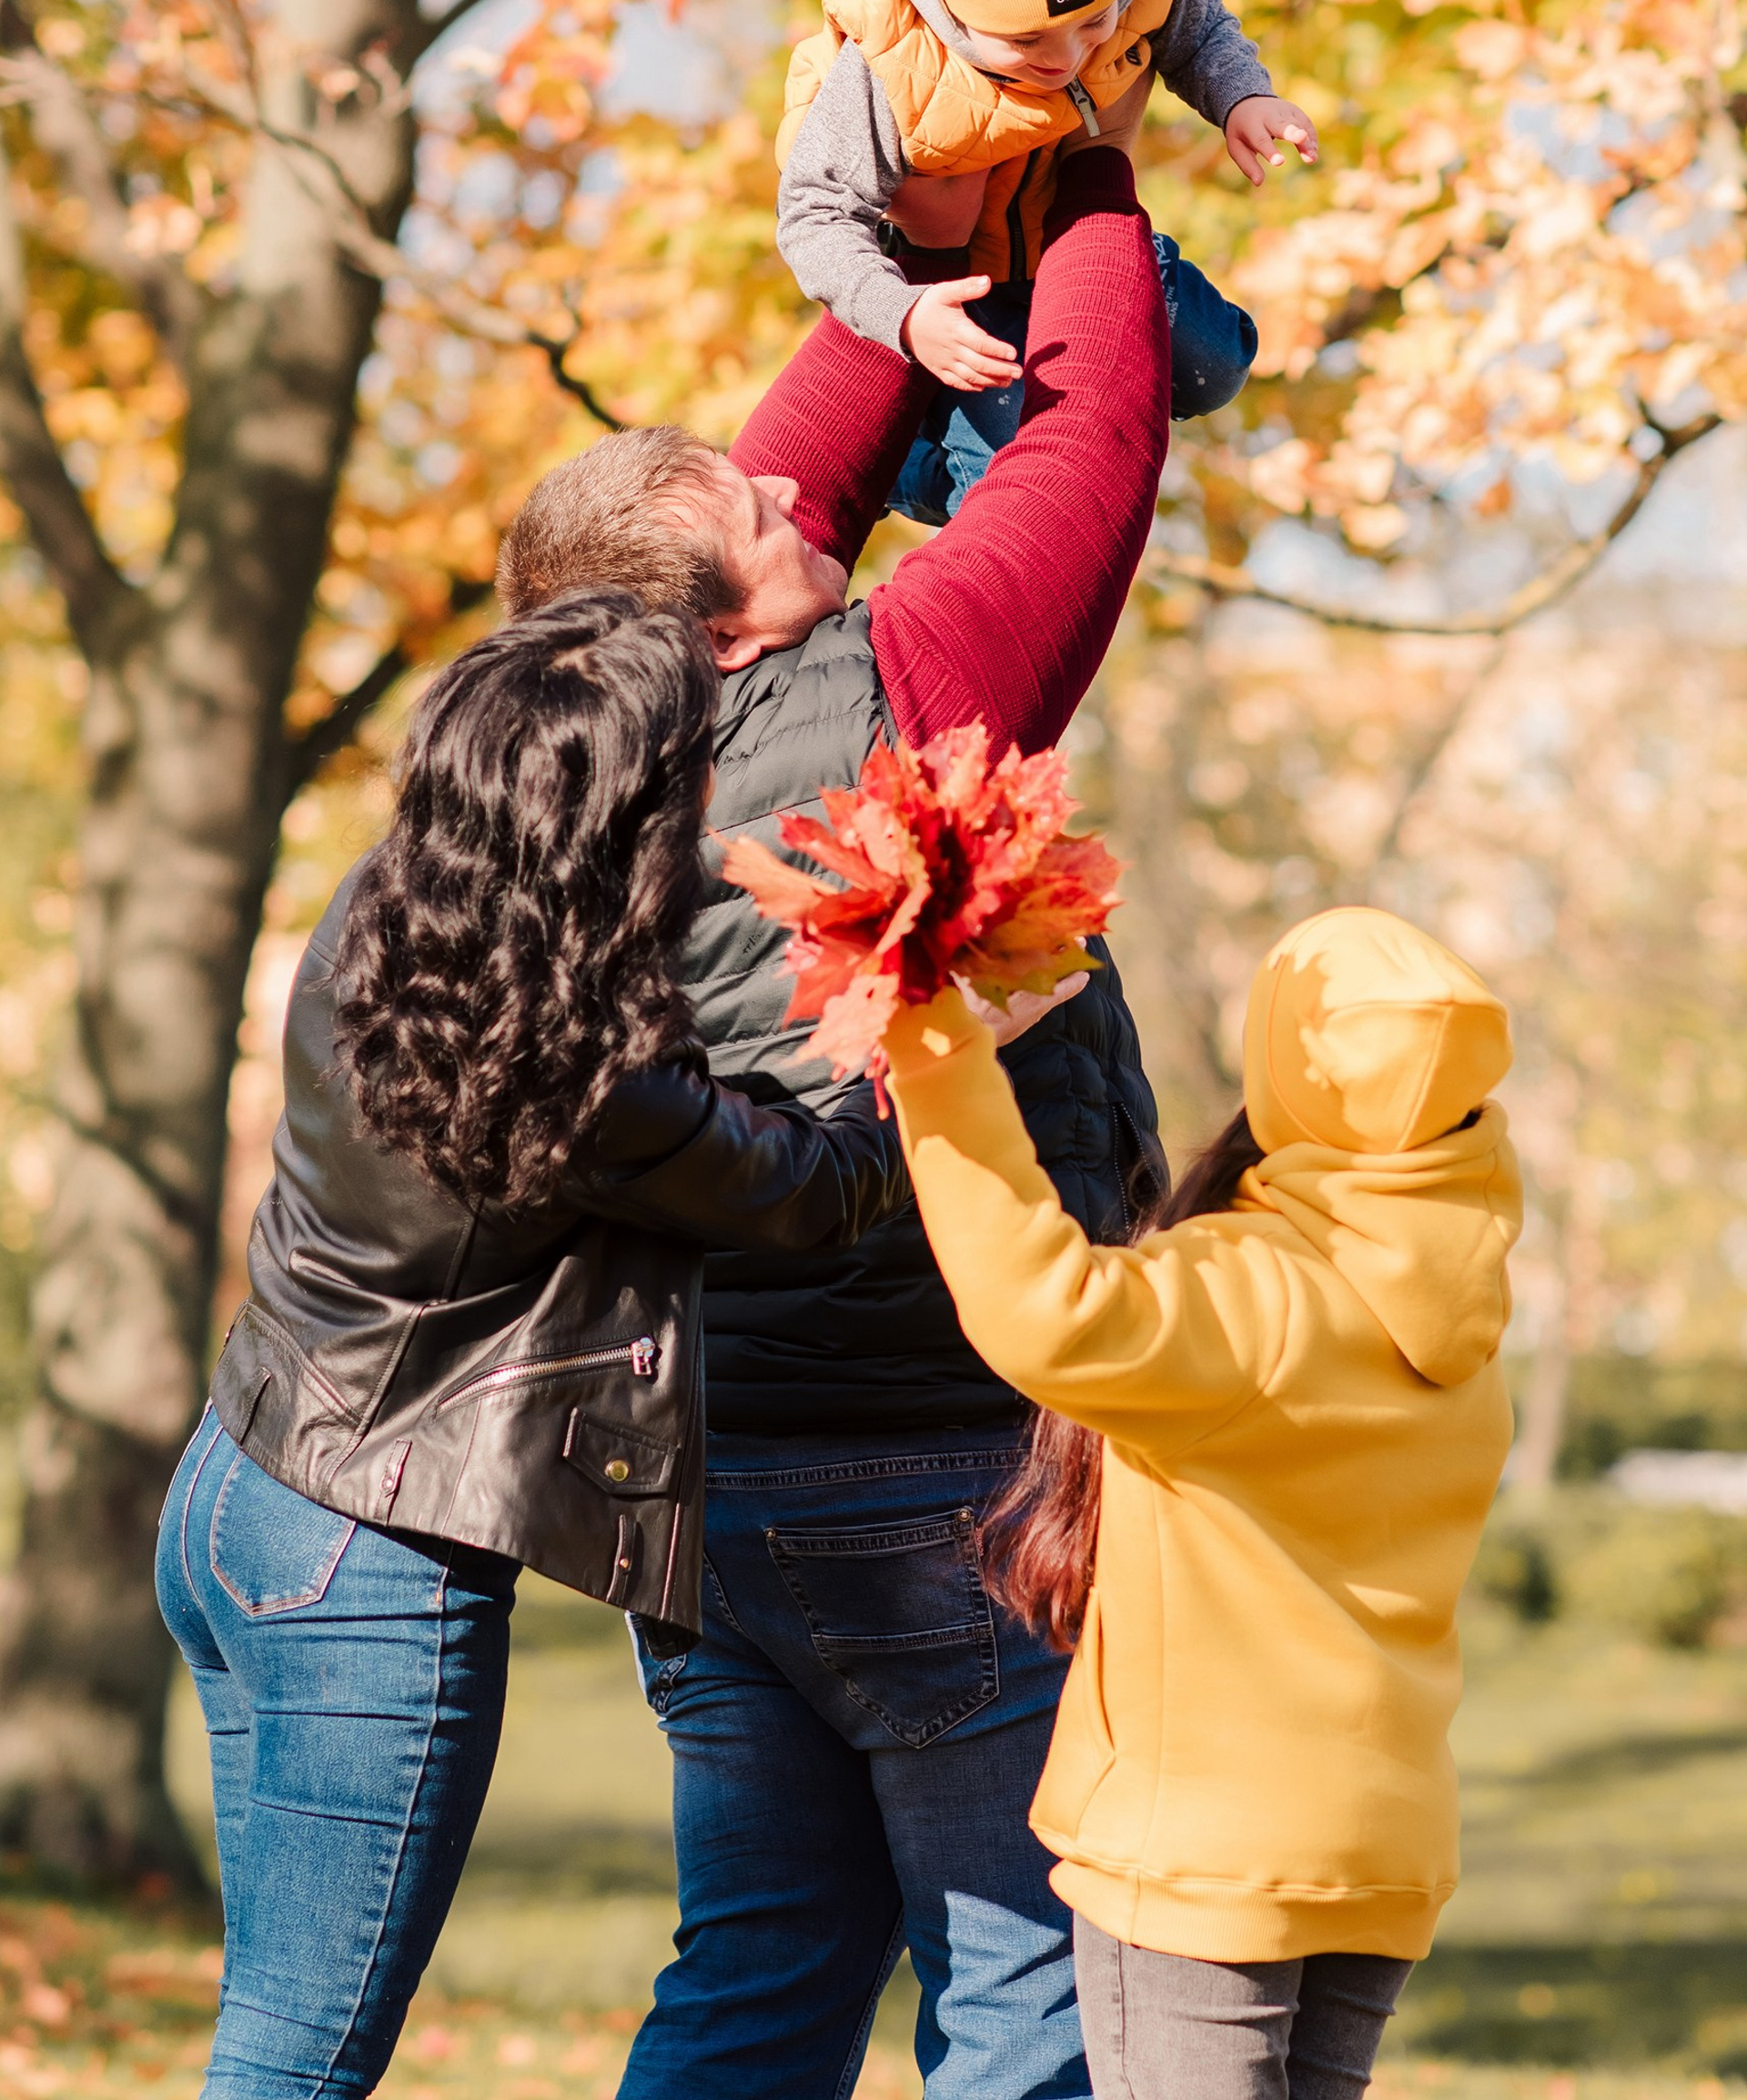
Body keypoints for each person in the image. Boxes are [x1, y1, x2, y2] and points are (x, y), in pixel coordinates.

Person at [495, 132, 1174, 2099]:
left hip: (707, 1481)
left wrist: (932, 200)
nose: (800, 491)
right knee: (1027, 2000)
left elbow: (799, 453)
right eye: (760, 517)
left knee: (759, 1984)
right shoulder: (905, 691)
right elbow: (1093, 445)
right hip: (946, 1471)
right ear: (715, 622)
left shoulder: (561, 751)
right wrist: (1096, 164)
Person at [155, 591, 914, 2100]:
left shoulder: (387, 904)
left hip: (238, 1494)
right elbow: (824, 1193)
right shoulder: (580, 1076)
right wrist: (912, 1005)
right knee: (298, 2060)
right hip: (368, 1566)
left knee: (269, 2036)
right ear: (635, 820)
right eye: (699, 765)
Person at [882, 908, 1523, 2100]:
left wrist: (936, 1056)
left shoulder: (1252, 1296)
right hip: (1381, 1847)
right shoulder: (1467, 1322)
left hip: (1206, 1855)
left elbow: (1043, 1309)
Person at [774, 0, 1316, 518]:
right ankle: (913, 449)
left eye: (1092, 24)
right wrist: (900, 313)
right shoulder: (888, 59)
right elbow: (812, 212)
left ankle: (1098, 375)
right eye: (1026, 39)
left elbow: (1196, 28)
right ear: (950, 7)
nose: (1066, 56)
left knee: (1219, 365)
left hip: (1070, 237)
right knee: (986, 496)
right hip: (973, 297)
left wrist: (1243, 96)